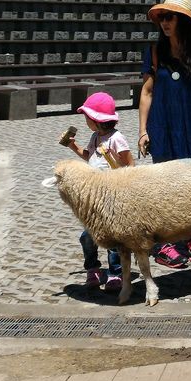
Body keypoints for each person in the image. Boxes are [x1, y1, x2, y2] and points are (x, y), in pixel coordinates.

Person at [138, 0, 191, 268]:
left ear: (183, 21)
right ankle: (166, 243)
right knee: (165, 186)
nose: (164, 23)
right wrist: (142, 131)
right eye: (162, 18)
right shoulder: (154, 52)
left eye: (170, 17)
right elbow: (147, 92)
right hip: (163, 126)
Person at [65, 92, 134, 290]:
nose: (85, 121)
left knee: (112, 238)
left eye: (87, 117)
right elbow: (89, 157)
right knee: (87, 237)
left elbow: (129, 164)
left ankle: (115, 273)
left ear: (96, 119)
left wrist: (114, 160)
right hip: (95, 197)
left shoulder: (116, 139)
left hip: (113, 195)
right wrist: (73, 146)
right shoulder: (95, 137)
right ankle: (92, 269)